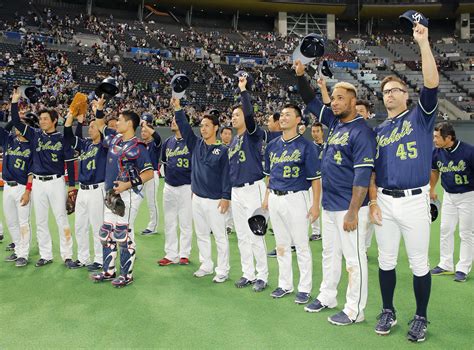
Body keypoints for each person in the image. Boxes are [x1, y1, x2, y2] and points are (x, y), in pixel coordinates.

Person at [368, 22, 439, 342]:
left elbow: (432, 82)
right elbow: (372, 170)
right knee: (385, 260)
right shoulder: (380, 131)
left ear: (406, 94)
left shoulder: (421, 116)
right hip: (384, 199)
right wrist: (372, 200)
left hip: (414, 199)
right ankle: (388, 310)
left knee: (419, 262)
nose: (389, 95)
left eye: (394, 90)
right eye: (385, 92)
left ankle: (421, 316)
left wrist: (423, 44)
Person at [296, 60, 375, 325]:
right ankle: (328, 295)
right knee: (329, 254)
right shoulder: (336, 123)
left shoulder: (361, 131)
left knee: (354, 259)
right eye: (335, 98)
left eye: (341, 98)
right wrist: (300, 76)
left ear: (353, 102)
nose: (335, 102)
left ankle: (355, 309)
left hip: (349, 207)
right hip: (330, 203)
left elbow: (363, 175)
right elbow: (311, 102)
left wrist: (353, 211)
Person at [11, 88, 77, 268]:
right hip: (38, 183)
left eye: (46, 118)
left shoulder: (62, 139)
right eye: (40, 119)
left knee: (61, 218)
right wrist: (15, 102)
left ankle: (67, 255)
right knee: (40, 220)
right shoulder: (34, 135)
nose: (42, 121)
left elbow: (70, 162)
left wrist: (72, 186)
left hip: (56, 182)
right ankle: (46, 255)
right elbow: (16, 121)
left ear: (55, 120)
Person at [262, 102, 321, 304]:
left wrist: (315, 205)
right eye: (282, 115)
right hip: (276, 198)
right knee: (281, 245)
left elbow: (315, 179)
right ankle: (285, 284)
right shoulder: (271, 146)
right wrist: (266, 198)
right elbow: (269, 176)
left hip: (297, 197)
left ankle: (304, 288)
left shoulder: (307, 146)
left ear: (298, 120)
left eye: (289, 115)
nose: (284, 117)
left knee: (302, 245)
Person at [91, 97, 154, 287]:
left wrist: (127, 185)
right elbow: (101, 126)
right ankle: (108, 270)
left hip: (128, 195)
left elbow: (149, 173)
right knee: (106, 233)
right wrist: (100, 108)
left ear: (129, 124)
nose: (116, 122)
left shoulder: (139, 147)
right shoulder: (114, 139)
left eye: (119, 120)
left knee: (122, 234)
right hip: (111, 194)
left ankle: (126, 275)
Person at [172, 97, 231, 283]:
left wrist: (225, 197)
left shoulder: (222, 150)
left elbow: (226, 175)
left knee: (220, 237)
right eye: (202, 125)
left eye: (207, 125)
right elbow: (185, 127)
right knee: (202, 234)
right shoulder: (196, 145)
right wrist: (178, 109)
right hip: (197, 198)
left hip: (215, 200)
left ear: (216, 129)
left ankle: (223, 269)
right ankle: (206, 265)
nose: (203, 128)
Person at [227, 76, 270, 292]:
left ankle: (262, 275)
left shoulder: (254, 135)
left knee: (256, 233)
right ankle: (248, 273)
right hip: (237, 191)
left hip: (253, 187)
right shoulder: (233, 141)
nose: (233, 118)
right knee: (242, 235)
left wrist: (243, 91)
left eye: (237, 114)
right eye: (232, 115)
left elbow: (251, 117)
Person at [63, 111, 108, 271]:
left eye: (93, 127)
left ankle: (100, 259)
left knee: (97, 226)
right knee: (80, 226)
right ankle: (83, 258)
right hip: (82, 190)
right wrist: (71, 117)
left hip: (97, 189)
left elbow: (105, 130)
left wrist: (99, 114)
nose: (90, 130)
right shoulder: (86, 145)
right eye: (89, 127)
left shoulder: (105, 146)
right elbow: (68, 136)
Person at [430, 122, 473, 282]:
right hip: (449, 195)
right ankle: (446, 264)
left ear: (448, 137)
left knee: (466, 232)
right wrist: (431, 189)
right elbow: (434, 171)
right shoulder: (437, 152)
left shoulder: (469, 151)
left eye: (437, 137)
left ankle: (463, 268)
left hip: (468, 195)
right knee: (445, 229)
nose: (434, 140)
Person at [157, 112, 193, 266]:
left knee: (185, 222)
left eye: (175, 120)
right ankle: (171, 254)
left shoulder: (191, 142)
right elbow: (164, 163)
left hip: (186, 186)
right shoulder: (167, 142)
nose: (172, 122)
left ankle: (184, 253)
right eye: (171, 119)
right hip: (169, 186)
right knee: (169, 221)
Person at [0, 119, 34, 267]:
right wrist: (14, 119)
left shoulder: (32, 146)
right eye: (16, 125)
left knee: (23, 222)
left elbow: (31, 173)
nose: (16, 128)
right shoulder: (9, 139)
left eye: (20, 125)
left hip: (21, 187)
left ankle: (23, 254)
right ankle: (17, 248)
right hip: (7, 186)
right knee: (11, 222)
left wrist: (27, 191)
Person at [140, 114, 162, 235]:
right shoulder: (141, 145)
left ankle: (153, 226)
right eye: (142, 131)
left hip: (152, 175)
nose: (143, 132)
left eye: (145, 130)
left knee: (151, 202)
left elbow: (157, 137)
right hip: (141, 175)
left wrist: (145, 125)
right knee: (135, 200)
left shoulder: (155, 144)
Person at [309, 121, 324, 241]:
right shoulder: (309, 147)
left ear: (322, 132)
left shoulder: (329, 145)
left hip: (329, 178)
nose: (315, 134)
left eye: (317, 131)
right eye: (313, 131)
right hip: (315, 179)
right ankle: (316, 232)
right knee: (314, 204)